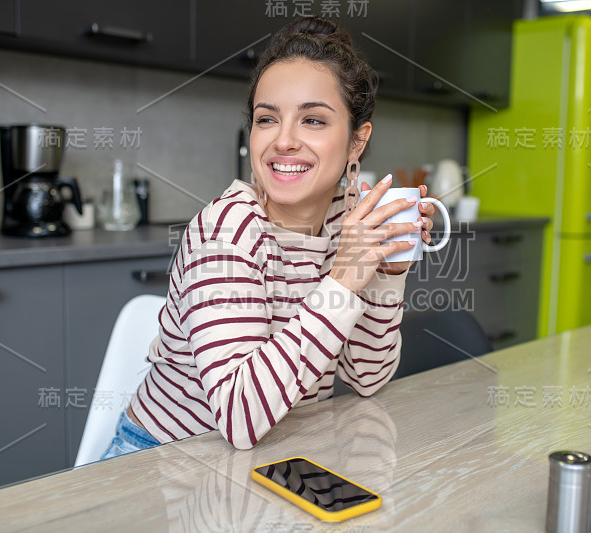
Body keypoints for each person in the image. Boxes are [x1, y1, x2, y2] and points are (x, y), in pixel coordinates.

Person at [101, 15, 437, 458]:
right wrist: (343, 280)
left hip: (276, 453)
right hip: (162, 461)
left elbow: (367, 378)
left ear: (357, 142)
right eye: (267, 119)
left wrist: (387, 273)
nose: (283, 141)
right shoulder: (225, 233)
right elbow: (239, 419)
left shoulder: (347, 225)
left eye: (313, 120)